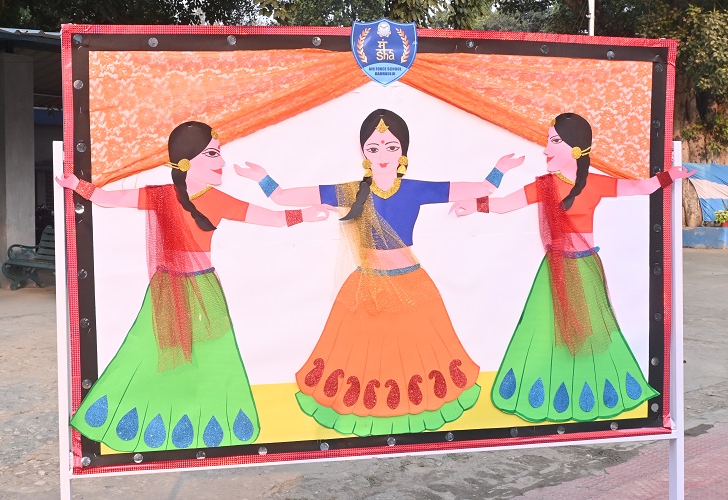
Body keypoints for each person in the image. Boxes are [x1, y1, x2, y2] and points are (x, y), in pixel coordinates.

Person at [235, 109, 523, 436]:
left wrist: (500, 170)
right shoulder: (349, 191)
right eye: (373, 148)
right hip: (366, 285)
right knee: (364, 355)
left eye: (391, 147)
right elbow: (282, 197)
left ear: (403, 152)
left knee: (416, 353)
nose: (382, 155)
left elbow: (482, 188)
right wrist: (261, 177)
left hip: (411, 284)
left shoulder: (414, 189)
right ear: (363, 153)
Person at [57, 121, 330, 451]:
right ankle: (146, 418)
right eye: (213, 154)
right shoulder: (160, 196)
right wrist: (77, 185)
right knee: (149, 352)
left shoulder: (215, 200)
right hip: (168, 290)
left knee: (214, 354)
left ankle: (204, 423)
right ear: (186, 160)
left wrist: (305, 215)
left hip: (203, 290)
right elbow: (107, 198)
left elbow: (271, 218)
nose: (222, 162)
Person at [451, 112, 692, 422]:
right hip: (554, 269)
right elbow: (506, 204)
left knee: (592, 332)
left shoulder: (595, 184)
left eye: (554, 141)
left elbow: (640, 188)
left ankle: (593, 392)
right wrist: (475, 205)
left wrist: (671, 175)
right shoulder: (545, 186)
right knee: (545, 329)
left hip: (585, 268)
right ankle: (545, 392)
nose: (545, 149)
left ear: (576, 148)